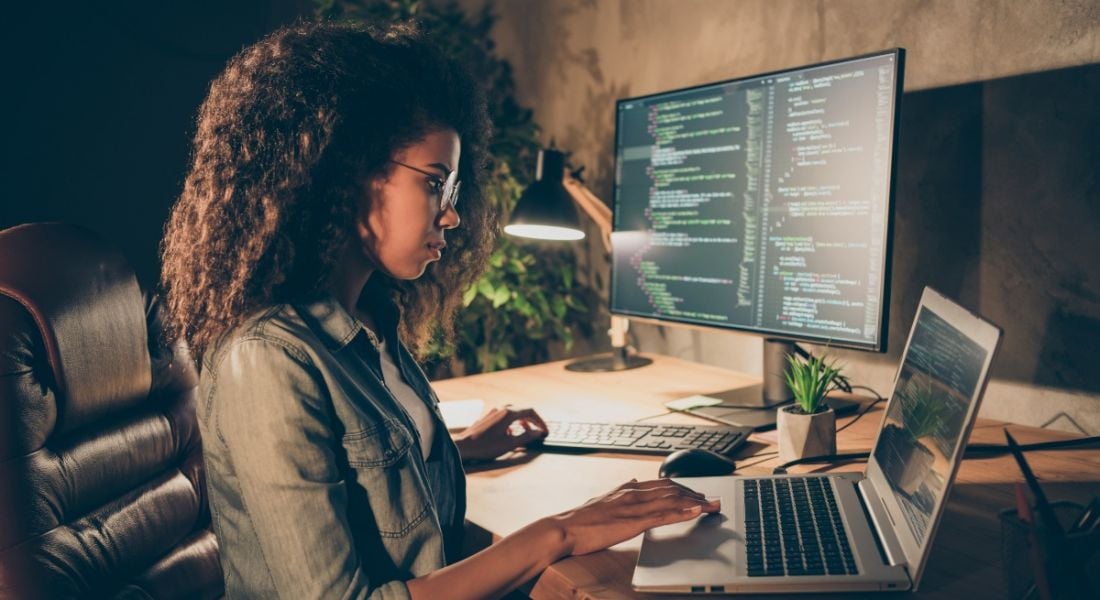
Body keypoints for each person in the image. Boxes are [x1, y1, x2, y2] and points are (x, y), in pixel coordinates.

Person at [160, 21, 719, 600]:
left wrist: (454, 448)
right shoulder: (268, 361)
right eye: (434, 184)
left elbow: (364, 479)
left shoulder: (370, 320)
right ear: (345, 175)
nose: (451, 215)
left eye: (451, 191)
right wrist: (560, 531)